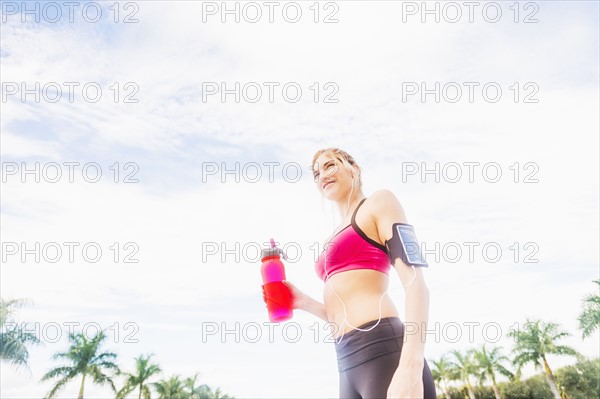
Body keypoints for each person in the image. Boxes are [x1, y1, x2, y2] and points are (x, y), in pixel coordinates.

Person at [279, 148, 436, 399]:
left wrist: (410, 367)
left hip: (383, 350)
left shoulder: (378, 203)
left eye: (330, 165)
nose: (322, 175)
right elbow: (341, 312)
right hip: (346, 360)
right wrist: (303, 302)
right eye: (316, 172)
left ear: (354, 168)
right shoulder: (330, 236)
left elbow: (416, 284)